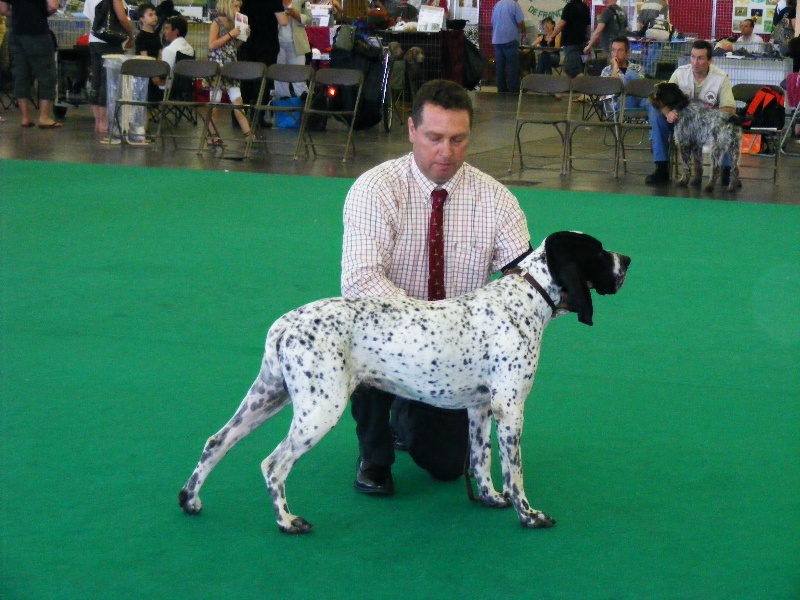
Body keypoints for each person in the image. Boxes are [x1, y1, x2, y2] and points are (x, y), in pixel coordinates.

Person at [342, 79, 531, 495]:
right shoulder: (375, 188)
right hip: (386, 338)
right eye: (434, 138)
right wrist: (432, 325)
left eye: (458, 139)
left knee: (447, 467)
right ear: (411, 130)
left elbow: (521, 280)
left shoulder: (497, 199)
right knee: (358, 336)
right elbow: (360, 280)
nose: (446, 151)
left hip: (456, 355)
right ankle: (374, 455)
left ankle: (407, 418)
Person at [645, 39, 736, 185]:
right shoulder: (679, 73)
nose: (695, 62)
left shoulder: (721, 78)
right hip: (679, 122)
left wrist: (707, 117)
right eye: (693, 57)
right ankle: (661, 167)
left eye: (700, 58)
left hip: (706, 125)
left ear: (709, 61)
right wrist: (668, 112)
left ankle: (726, 170)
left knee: (726, 124)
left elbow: (729, 108)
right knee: (656, 116)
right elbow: (660, 97)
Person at [0, 0, 62, 128]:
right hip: (38, 32)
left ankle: (25, 117)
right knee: (46, 74)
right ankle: (44, 117)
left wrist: (19, 15)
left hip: (17, 33)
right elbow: (53, 6)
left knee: (21, 74)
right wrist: (38, 14)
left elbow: (3, 9)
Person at [83, 0, 135, 135]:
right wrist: (131, 35)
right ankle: (105, 123)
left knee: (97, 81)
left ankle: (98, 122)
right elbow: (122, 18)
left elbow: (91, 16)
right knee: (108, 82)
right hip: (110, 42)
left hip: (94, 39)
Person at [206, 0, 254, 146]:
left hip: (231, 66)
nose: (238, 9)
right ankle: (211, 135)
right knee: (215, 102)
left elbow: (232, 45)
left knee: (237, 101)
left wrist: (242, 38)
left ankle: (248, 134)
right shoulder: (216, 23)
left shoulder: (234, 24)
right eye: (236, 6)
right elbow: (212, 45)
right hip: (218, 67)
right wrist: (231, 35)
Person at [238, 0, 288, 127]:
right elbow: (284, 21)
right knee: (263, 82)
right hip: (267, 45)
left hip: (247, 44)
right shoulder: (275, 2)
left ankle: (240, 116)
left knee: (246, 80)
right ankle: (258, 116)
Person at [600, 36, 645, 115]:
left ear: (627, 53)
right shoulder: (606, 71)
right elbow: (610, 90)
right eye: (613, 50)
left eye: (620, 50)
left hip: (637, 102)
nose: (616, 54)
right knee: (630, 75)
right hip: (616, 107)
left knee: (652, 104)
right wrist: (615, 68)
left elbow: (641, 90)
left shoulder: (638, 68)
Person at [274, 0, 311, 99]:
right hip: (277, 43)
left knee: (299, 79)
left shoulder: (302, 1)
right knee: (279, 79)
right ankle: (282, 109)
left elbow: (309, 19)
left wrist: (295, 14)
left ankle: (304, 107)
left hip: (296, 44)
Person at [547, 0, 590, 80]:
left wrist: (552, 36)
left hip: (570, 43)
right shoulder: (585, 7)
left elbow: (561, 24)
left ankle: (584, 88)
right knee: (570, 70)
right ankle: (564, 90)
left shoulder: (569, 7)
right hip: (582, 43)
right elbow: (588, 27)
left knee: (574, 71)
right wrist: (589, 41)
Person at [491, 0, 526, 94]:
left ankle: (501, 88)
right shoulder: (515, 5)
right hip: (510, 39)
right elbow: (520, 22)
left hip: (497, 39)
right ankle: (514, 88)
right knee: (512, 66)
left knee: (500, 66)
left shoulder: (497, 5)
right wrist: (524, 31)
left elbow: (492, 22)